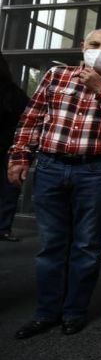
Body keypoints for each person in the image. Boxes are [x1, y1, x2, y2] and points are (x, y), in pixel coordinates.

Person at [10, 29, 101, 338]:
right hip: (52, 166)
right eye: (94, 45)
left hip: (95, 170)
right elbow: (33, 117)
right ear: (83, 47)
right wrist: (19, 156)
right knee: (52, 244)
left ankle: (74, 311)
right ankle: (47, 312)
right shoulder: (57, 75)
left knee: (86, 244)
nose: (99, 51)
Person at [0, 52, 29, 242]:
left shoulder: (13, 93)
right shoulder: (14, 92)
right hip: (8, 148)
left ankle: (3, 227)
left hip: (8, 149)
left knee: (9, 189)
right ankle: (3, 228)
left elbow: (26, 120)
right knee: (8, 190)